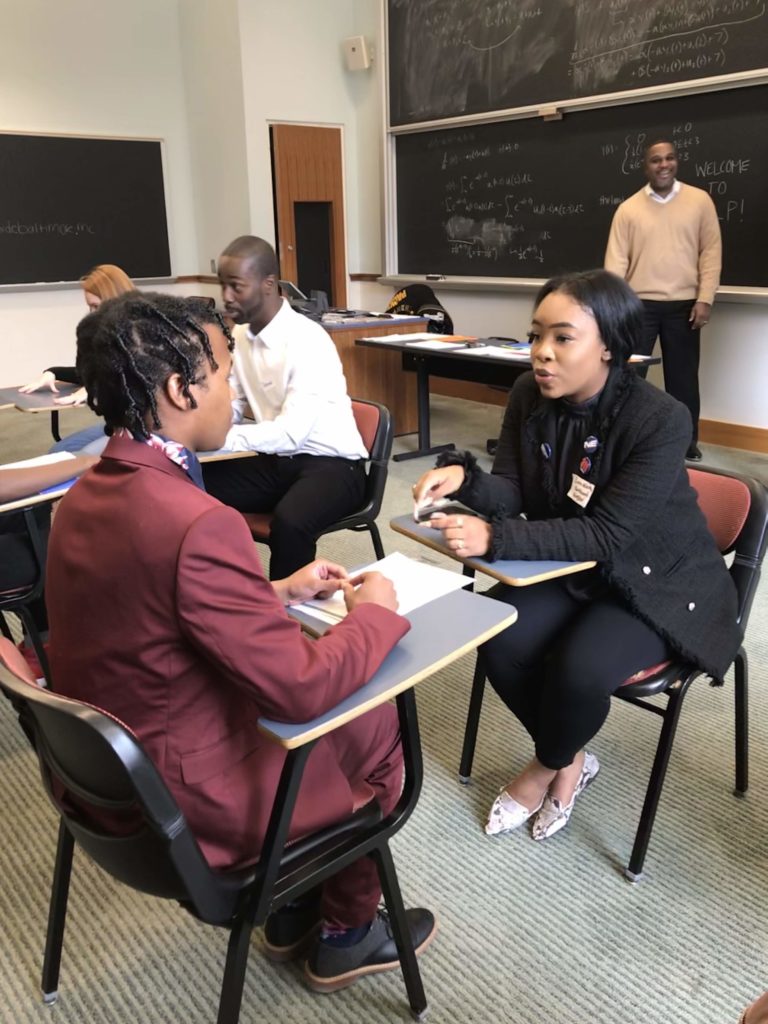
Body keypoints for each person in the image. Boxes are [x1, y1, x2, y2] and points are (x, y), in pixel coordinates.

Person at [46, 292, 436, 992]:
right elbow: (301, 689)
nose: (233, 392)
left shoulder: (86, 494)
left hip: (108, 779)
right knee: (377, 725)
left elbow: (151, 608)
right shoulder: (197, 521)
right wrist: (374, 612)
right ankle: (346, 931)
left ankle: (292, 908)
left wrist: (274, 594)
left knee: (332, 706)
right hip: (189, 799)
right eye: (225, 374)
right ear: (179, 388)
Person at [412, 269, 739, 841]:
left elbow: (608, 533)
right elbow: (514, 491)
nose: (541, 353)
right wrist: (464, 479)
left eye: (563, 338)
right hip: (574, 565)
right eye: (536, 335)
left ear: (610, 345)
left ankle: (545, 769)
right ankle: (571, 759)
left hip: (658, 581)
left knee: (579, 669)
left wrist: (497, 540)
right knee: (497, 638)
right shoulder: (527, 395)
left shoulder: (660, 418)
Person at [202, 236, 367, 580]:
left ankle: (282, 621)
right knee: (187, 482)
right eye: (223, 286)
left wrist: (217, 439)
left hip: (334, 467)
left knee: (291, 523)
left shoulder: (308, 340)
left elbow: (291, 435)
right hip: (277, 460)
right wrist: (203, 432)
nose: (226, 297)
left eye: (236, 287)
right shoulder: (243, 337)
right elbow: (234, 402)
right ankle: (214, 592)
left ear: (268, 285)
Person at [604, 138, 721, 462]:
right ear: (647, 166)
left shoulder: (700, 202)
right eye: (656, 160)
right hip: (637, 306)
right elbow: (615, 264)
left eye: (669, 158)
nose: (664, 165)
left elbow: (710, 254)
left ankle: (686, 442)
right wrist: (616, 309)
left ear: (677, 162)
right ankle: (620, 440)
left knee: (683, 380)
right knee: (626, 377)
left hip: (685, 305)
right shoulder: (628, 209)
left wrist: (705, 298)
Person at [19, 264, 135, 453]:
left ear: (115, 299)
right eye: (90, 307)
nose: (92, 314)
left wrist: (98, 389)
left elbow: (135, 381)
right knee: (60, 450)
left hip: (145, 434)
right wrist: (52, 373)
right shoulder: (109, 334)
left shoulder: (142, 334)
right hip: (117, 428)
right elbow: (92, 373)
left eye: (96, 306)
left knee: (76, 460)